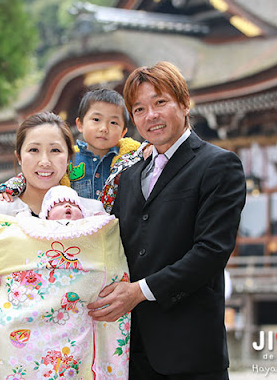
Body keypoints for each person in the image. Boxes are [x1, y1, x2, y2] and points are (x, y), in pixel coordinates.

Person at [88, 61, 247, 379]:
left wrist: (138, 292)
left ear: (185, 103)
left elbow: (210, 253)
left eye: (160, 102)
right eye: (140, 109)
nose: (151, 116)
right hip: (132, 351)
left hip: (191, 351)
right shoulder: (130, 176)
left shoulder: (218, 165)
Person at [0, 112, 131, 379]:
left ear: (69, 158)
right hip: (11, 353)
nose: (44, 161)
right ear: (18, 156)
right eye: (34, 150)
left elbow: (113, 281)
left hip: (76, 351)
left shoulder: (93, 214)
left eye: (55, 150)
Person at [0, 88, 145, 202]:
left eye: (113, 122)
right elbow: (28, 176)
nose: (103, 128)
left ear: (123, 131)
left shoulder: (130, 158)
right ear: (80, 124)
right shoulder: (69, 159)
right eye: (96, 120)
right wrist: (6, 190)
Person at [40, 185, 106, 220]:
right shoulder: (40, 231)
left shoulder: (88, 227)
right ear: (47, 215)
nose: (68, 205)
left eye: (74, 205)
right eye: (60, 204)